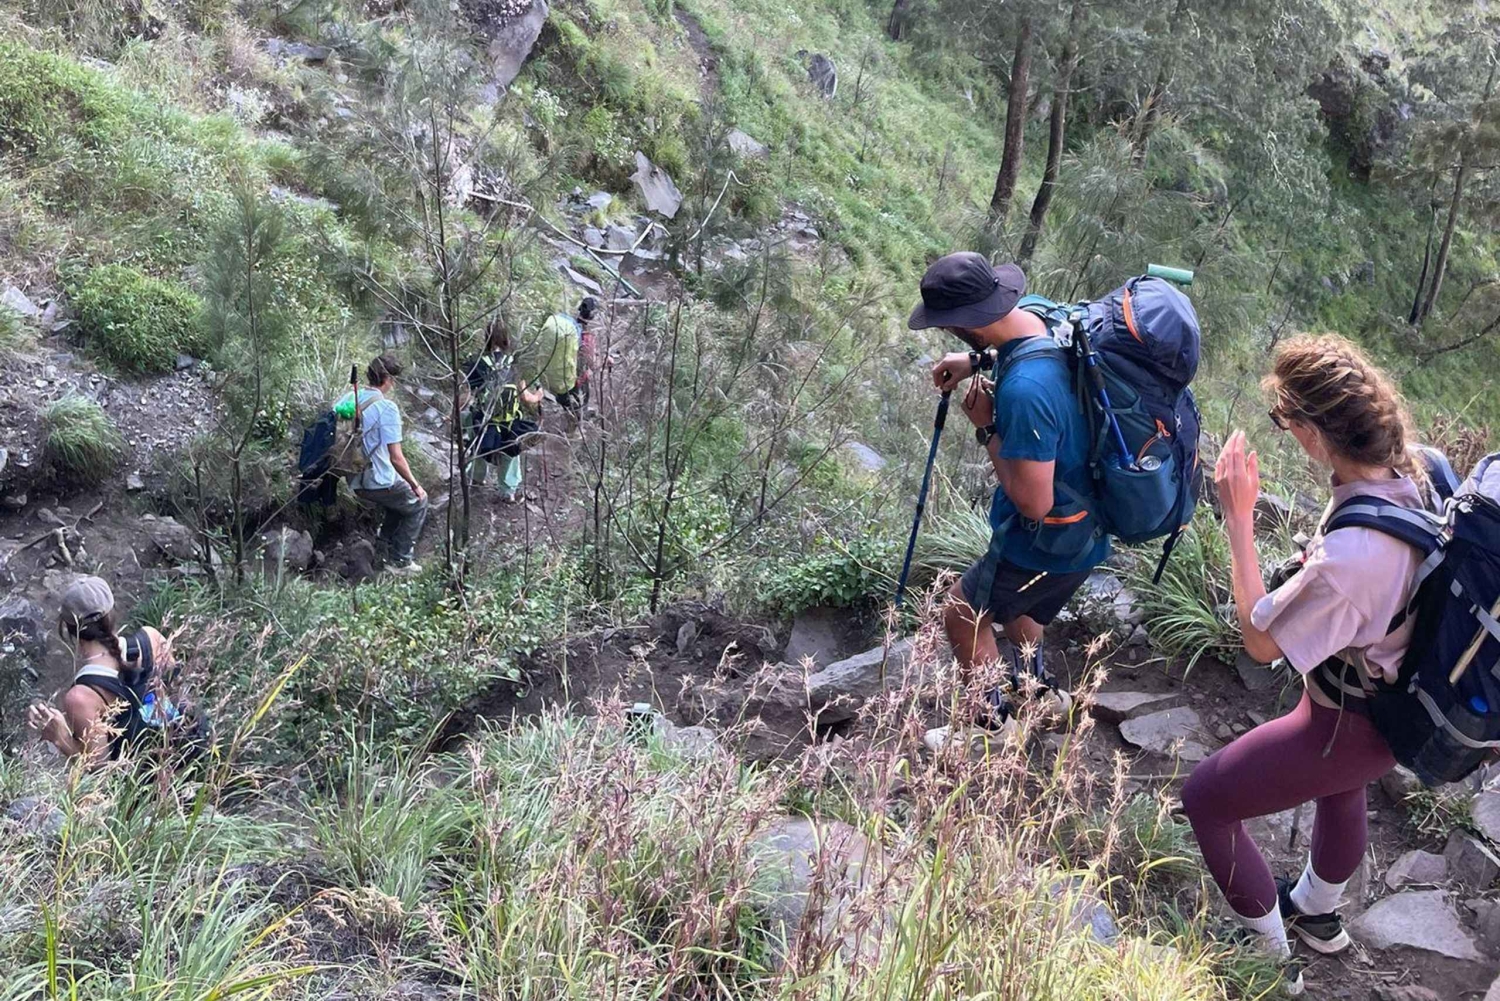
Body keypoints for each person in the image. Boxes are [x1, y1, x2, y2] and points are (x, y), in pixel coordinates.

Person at [1180, 333, 1430, 995]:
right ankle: (1318, 912)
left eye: (1284, 419)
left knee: (1205, 798)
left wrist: (1238, 518)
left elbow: (1262, 644)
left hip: (1349, 723)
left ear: (1316, 430)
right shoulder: (1415, 471)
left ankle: (1270, 960)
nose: (1284, 432)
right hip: (1388, 708)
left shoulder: (1355, 559)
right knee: (1340, 786)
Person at [911, 252, 1110, 726]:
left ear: (968, 323)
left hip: (1050, 535)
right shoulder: (1048, 318)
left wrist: (986, 430)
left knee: (963, 612)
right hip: (1091, 526)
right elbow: (1023, 347)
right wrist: (976, 359)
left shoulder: (1025, 390)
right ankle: (1036, 694)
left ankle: (990, 729)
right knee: (1021, 611)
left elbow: (1034, 502)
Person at [27, 576, 180, 765]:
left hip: (147, 785)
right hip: (189, 759)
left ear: (68, 628)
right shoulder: (153, 639)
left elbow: (101, 770)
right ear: (112, 613)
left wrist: (60, 737)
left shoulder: (81, 697)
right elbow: (179, 694)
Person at [337, 354, 427, 575]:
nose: (393, 384)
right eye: (392, 379)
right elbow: (396, 457)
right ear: (386, 378)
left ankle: (383, 548)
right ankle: (401, 561)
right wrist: (416, 485)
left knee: (398, 503)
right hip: (378, 479)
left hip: (354, 478)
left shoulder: (349, 398)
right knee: (418, 503)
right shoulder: (387, 408)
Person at [463, 320, 544, 503]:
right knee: (511, 454)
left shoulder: (477, 363)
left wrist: (453, 415)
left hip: (484, 422)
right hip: (509, 422)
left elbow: (466, 394)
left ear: (487, 338)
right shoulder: (514, 364)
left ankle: (476, 478)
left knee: (477, 445)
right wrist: (539, 395)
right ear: (506, 339)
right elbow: (525, 398)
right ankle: (508, 491)